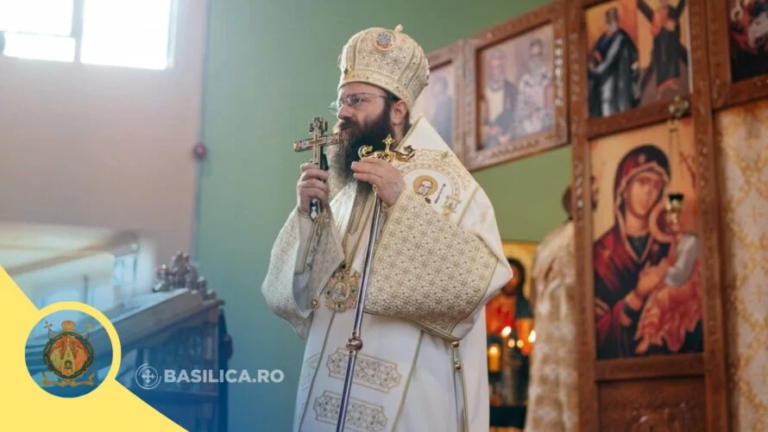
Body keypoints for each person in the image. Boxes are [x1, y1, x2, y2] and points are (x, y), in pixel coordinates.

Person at [261, 25, 512, 432]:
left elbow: (480, 280)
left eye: (357, 100)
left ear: (397, 110)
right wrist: (310, 218)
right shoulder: (341, 185)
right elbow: (294, 298)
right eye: (342, 101)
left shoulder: (451, 186)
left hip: (411, 393)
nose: (343, 113)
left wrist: (402, 203)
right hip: (328, 387)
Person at [593, 145, 702, 359]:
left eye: (656, 185)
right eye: (642, 182)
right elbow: (597, 333)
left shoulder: (669, 243)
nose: (649, 192)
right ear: (624, 187)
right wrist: (637, 296)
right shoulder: (601, 253)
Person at [588, 7, 641, 118]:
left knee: (622, 111)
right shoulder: (602, 39)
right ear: (607, 23)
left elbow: (633, 56)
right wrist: (595, 60)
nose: (613, 24)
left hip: (621, 81)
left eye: (615, 20)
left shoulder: (622, 38)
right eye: (611, 21)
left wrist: (634, 69)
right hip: (606, 83)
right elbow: (594, 56)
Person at [637, 0, 689, 100]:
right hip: (659, 49)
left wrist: (667, 24)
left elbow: (673, 24)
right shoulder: (656, 14)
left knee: (680, 59)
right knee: (654, 67)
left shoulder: (671, 11)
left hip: (671, 46)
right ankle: (640, 93)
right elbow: (650, 17)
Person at [515, 38, 554, 136]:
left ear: (542, 56)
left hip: (547, 129)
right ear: (530, 57)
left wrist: (538, 110)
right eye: (533, 56)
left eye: (538, 55)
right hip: (527, 131)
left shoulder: (550, 79)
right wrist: (528, 111)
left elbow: (555, 111)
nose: (535, 59)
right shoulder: (524, 82)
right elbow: (519, 114)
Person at [482, 49, 518, 148]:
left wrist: (508, 134)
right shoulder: (484, 91)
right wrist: (488, 130)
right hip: (489, 138)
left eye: (499, 67)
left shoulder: (511, 89)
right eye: (494, 68)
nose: (496, 71)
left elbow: (516, 115)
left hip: (506, 137)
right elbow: (482, 120)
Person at [428, 74, 454, 146]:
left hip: (448, 136)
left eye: (441, 93)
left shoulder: (450, 101)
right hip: (440, 136)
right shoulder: (437, 105)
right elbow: (432, 122)